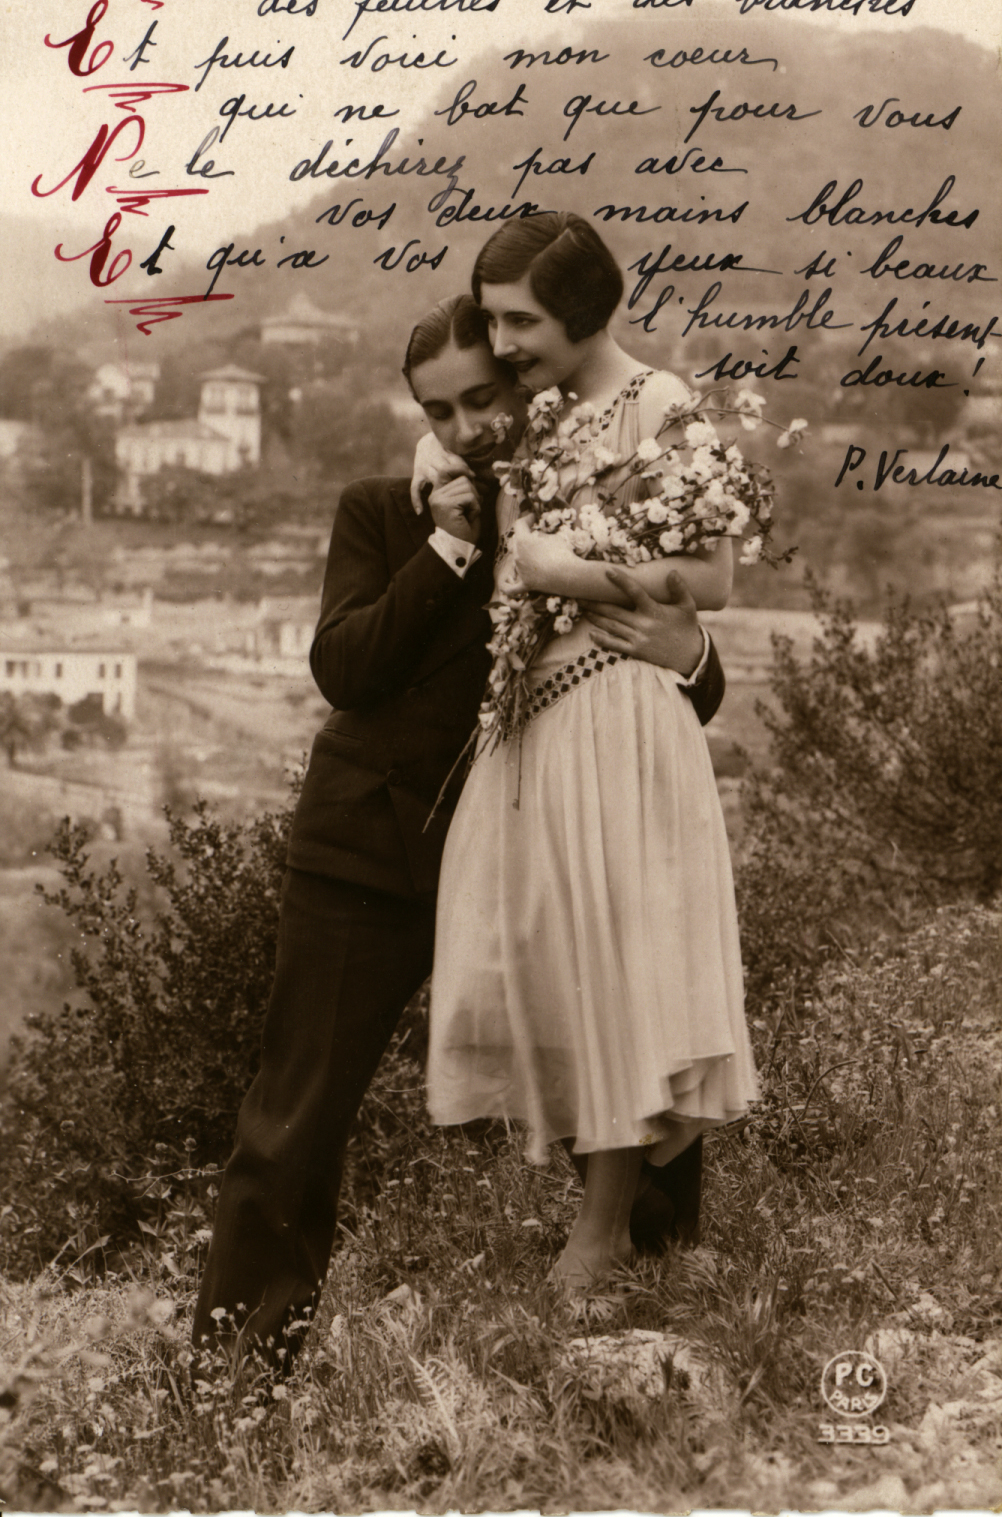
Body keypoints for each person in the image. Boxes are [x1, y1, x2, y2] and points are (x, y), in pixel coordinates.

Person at [190, 294, 727, 1370]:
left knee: (622, 1037)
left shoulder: (586, 512)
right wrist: (446, 543)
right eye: (440, 412)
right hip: (366, 853)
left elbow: (682, 692)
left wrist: (689, 651)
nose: (469, 428)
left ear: (528, 382)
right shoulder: (381, 509)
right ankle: (235, 1372)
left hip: (537, 851)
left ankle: (655, 1302)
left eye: (485, 398)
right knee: (296, 1111)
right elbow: (345, 669)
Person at [424, 217, 760, 1290]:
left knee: (616, 961)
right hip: (537, 721)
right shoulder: (538, 417)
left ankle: (604, 1232)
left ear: (581, 310)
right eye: (495, 321)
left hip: (619, 712)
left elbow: (713, 578)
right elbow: (459, 458)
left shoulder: (660, 403)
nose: (503, 342)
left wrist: (566, 571)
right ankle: (619, 1217)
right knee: (540, 960)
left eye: (521, 320)